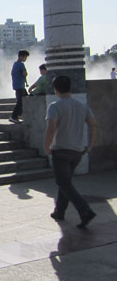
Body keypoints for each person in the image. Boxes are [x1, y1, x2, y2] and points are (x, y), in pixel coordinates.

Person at [44, 75, 97, 228]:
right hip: (77, 151)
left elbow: (51, 128)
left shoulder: (55, 106)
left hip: (61, 151)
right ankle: (59, 211)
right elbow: (93, 125)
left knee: (63, 182)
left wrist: (46, 146)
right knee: (65, 182)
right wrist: (90, 145)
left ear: (55, 89)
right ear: (70, 87)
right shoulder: (82, 106)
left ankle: (85, 210)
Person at [9, 50, 30, 124]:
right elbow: (24, 73)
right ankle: (14, 116)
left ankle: (19, 115)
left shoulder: (15, 64)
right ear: (21, 56)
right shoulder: (21, 64)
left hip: (17, 85)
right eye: (25, 57)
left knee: (24, 99)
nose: (26, 59)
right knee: (21, 101)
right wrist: (26, 73)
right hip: (20, 86)